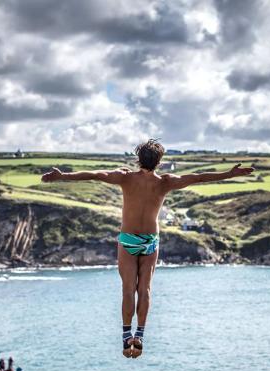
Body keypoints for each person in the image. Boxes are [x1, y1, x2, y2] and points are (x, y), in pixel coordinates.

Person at [42, 139, 253, 358]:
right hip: (150, 240)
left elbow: (96, 174)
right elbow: (198, 178)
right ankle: (139, 335)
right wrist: (230, 174)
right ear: (159, 162)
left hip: (129, 239)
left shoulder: (125, 177)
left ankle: (126, 337)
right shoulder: (165, 182)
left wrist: (62, 176)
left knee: (127, 289)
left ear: (138, 158)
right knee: (145, 289)